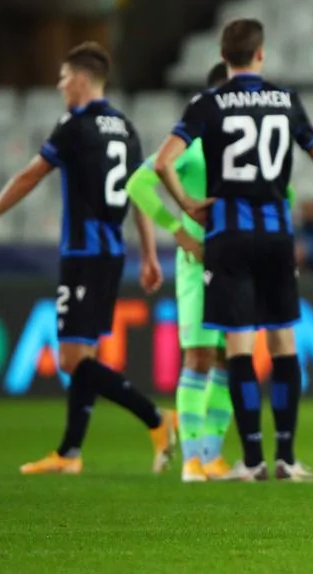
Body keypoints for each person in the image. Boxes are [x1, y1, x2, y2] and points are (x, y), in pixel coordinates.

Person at [154, 18, 313, 481]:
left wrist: (187, 204)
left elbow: (162, 163)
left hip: (229, 236)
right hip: (277, 236)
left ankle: (251, 460)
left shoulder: (207, 103)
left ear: (224, 56)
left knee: (239, 347)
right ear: (261, 54)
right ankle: (286, 457)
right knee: (283, 344)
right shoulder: (286, 101)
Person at [0, 42, 177, 475]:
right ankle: (70, 453)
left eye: (63, 78)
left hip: (84, 252)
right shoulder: (126, 128)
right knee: (85, 356)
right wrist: (149, 254)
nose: (61, 85)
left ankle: (157, 418)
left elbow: (30, 175)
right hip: (112, 254)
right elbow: (140, 194)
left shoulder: (75, 126)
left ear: (81, 79)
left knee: (72, 361)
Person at [127, 61, 244, 482]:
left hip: (239, 265)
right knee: (198, 357)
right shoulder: (193, 145)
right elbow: (138, 185)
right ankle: (193, 459)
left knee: (230, 359)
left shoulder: (246, 150)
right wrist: (178, 231)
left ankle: (212, 454)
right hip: (200, 266)